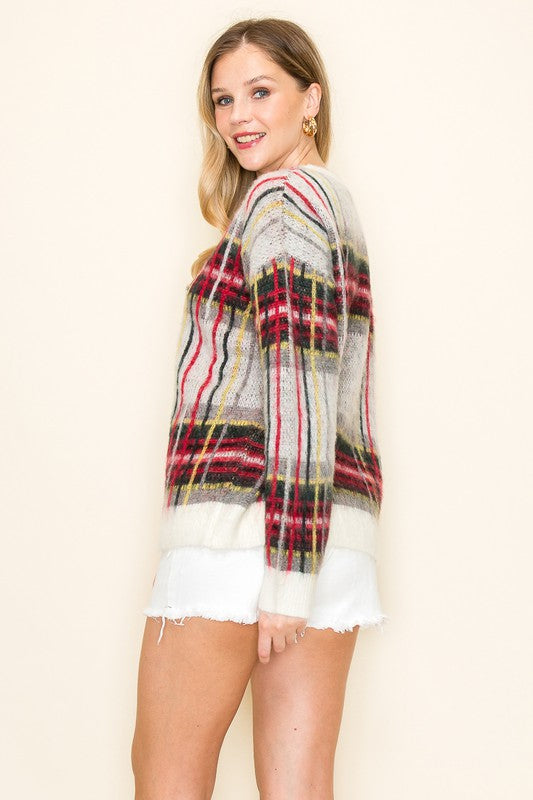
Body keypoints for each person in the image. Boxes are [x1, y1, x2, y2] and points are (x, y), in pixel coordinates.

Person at [131, 17, 388, 800]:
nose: (239, 116)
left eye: (260, 91)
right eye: (222, 99)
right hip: (326, 540)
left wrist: (283, 580)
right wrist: (301, 573)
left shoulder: (281, 201)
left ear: (311, 99)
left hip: (244, 537)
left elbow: (298, 385)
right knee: (300, 786)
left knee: (166, 778)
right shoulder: (330, 201)